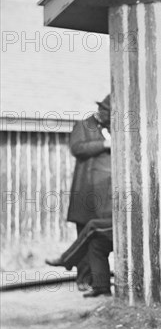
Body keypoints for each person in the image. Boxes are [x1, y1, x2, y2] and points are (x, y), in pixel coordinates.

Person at [46, 95, 112, 291]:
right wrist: (104, 145)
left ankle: (98, 283)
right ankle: (84, 280)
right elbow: (77, 148)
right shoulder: (83, 126)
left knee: (96, 241)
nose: (109, 117)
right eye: (107, 112)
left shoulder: (113, 130)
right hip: (86, 194)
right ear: (101, 110)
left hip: (106, 197)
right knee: (83, 235)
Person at [45, 218, 113, 298]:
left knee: (93, 226)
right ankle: (101, 286)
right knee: (96, 244)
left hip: (127, 221)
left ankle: (66, 260)